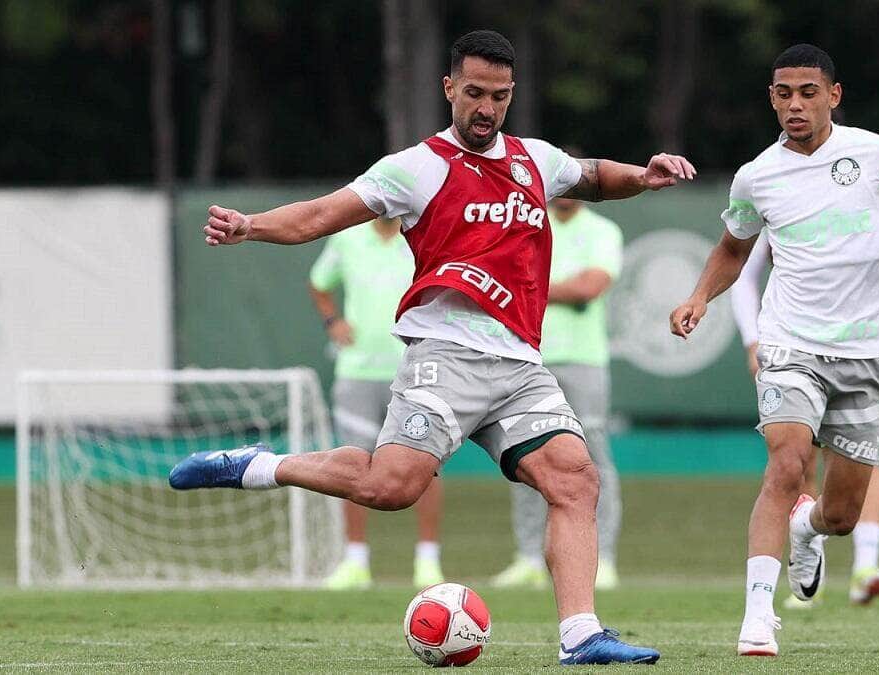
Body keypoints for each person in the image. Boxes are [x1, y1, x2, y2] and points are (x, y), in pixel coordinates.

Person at [170, 29, 695, 666]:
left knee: (575, 480)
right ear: (448, 88)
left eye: (499, 96)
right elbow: (317, 216)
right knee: (389, 488)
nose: (486, 108)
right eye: (474, 93)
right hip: (444, 357)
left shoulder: (535, 160)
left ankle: (582, 633)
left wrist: (643, 174)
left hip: (521, 366)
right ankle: (255, 466)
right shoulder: (415, 168)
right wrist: (251, 226)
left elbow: (592, 178)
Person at [668, 44, 879, 657]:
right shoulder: (757, 175)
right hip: (791, 345)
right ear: (771, 99)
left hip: (870, 356)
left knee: (842, 513)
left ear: (833, 95)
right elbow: (733, 250)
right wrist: (699, 296)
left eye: (806, 92)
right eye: (782, 94)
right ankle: (757, 617)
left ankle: (808, 527)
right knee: (788, 461)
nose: (794, 105)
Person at [730, 207, 879, 609]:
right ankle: (812, 563)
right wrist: (751, 340)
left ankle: (864, 564)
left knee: (865, 460)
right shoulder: (780, 187)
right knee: (798, 462)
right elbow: (741, 266)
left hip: (863, 351)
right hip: (797, 350)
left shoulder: (878, 183)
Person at [491, 190, 625, 591]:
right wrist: (555, 286)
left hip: (584, 360)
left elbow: (590, 287)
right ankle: (529, 556)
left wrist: (533, 286)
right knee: (526, 456)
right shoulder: (527, 222)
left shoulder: (603, 230)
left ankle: (605, 559)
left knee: (594, 455)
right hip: (530, 355)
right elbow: (504, 278)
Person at [308, 215, 446, 590]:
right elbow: (319, 283)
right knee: (350, 461)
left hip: (416, 369)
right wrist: (333, 322)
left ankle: (428, 560)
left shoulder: (425, 233)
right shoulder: (347, 239)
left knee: (426, 463)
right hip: (357, 371)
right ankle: (355, 560)